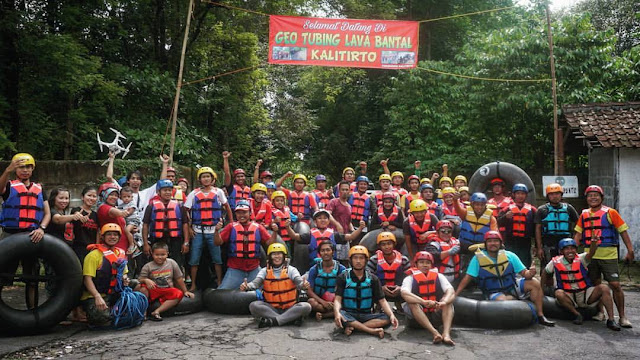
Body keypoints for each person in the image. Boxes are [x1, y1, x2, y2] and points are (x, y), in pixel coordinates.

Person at [455, 231, 555, 326]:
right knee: (503, 301)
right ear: (485, 244)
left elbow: (525, 274)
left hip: (512, 286)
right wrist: (456, 294)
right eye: (489, 241)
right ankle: (519, 300)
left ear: (500, 243)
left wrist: (531, 272)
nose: (492, 243)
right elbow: (468, 278)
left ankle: (540, 315)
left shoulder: (510, 256)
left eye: (495, 241)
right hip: (493, 291)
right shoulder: (477, 259)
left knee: (534, 282)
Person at [574, 185, 634, 327]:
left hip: (608, 255)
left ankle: (622, 317)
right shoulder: (584, 215)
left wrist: (630, 250)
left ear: (601, 197)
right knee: (596, 284)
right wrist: (572, 253)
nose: (593, 198)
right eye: (590, 196)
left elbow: (623, 231)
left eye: (596, 195)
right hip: (590, 256)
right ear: (586, 199)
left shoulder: (611, 212)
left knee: (615, 285)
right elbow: (578, 235)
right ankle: (600, 312)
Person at [541, 238, 620, 330]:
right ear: (561, 251)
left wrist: (593, 244)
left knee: (604, 288)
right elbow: (545, 273)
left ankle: (611, 320)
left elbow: (591, 253)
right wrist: (541, 289)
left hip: (585, 294)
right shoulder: (555, 262)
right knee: (558, 293)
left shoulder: (581, 258)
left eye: (572, 248)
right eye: (567, 249)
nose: (570, 251)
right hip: (568, 295)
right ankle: (577, 314)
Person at [241, 243, 312, 327]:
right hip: (271, 308)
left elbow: (299, 282)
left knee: (306, 306)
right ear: (269, 257)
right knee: (254, 306)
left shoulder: (291, 270)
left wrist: (303, 285)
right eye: (274, 254)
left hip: (290, 307)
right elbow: (255, 284)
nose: (277, 257)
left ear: (284, 256)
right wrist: (247, 286)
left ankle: (274, 321)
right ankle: (289, 320)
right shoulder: (264, 271)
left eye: (279, 254)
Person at [334, 245, 399, 338]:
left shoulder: (373, 278)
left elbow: (382, 300)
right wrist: (337, 313)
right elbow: (337, 299)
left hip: (367, 315)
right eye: (355, 258)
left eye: (361, 258)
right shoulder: (343, 277)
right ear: (351, 260)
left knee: (387, 318)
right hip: (348, 314)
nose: (358, 261)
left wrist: (392, 315)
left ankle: (354, 328)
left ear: (366, 260)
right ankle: (371, 330)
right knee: (341, 315)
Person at [184, 167, 232, 291]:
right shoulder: (193, 193)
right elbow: (186, 211)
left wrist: (231, 223)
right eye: (203, 176)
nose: (206, 179)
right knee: (194, 259)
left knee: (217, 258)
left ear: (212, 178)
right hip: (198, 230)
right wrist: (189, 227)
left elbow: (227, 207)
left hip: (213, 231)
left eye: (208, 176)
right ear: (200, 179)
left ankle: (220, 281)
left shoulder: (218, 192)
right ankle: (193, 284)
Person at [214, 199, 277, 289]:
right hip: (235, 269)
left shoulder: (258, 227)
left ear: (250, 213)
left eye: (244, 212)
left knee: (269, 290)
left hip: (254, 269)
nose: (241, 215)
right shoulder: (231, 227)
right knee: (222, 293)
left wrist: (275, 232)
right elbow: (217, 242)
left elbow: (270, 244)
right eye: (239, 213)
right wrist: (216, 230)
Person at [401, 251, 456, 346]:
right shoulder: (409, 278)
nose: (425, 265)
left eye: (428, 263)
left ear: (431, 265)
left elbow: (451, 291)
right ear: (416, 264)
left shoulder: (439, 276)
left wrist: (444, 302)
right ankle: (435, 333)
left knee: (448, 302)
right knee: (412, 302)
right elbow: (404, 293)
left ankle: (446, 334)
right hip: (416, 320)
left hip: (435, 314)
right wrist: (423, 302)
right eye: (421, 262)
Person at [80, 224, 129, 327]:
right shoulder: (93, 255)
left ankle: (118, 310)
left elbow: (124, 273)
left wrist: (125, 279)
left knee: (136, 284)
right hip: (96, 295)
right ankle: (112, 312)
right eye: (109, 234)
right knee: (100, 317)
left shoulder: (120, 253)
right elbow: (87, 279)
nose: (112, 237)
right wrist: (97, 296)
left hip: (114, 292)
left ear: (119, 237)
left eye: (115, 235)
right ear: (102, 237)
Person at [139, 242, 194, 321]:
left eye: (162, 255)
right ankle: (143, 313)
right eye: (157, 255)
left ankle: (157, 311)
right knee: (143, 289)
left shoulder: (171, 263)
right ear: (152, 254)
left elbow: (178, 278)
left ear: (167, 254)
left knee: (179, 294)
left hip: (167, 289)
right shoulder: (148, 266)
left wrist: (185, 291)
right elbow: (140, 279)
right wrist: (146, 280)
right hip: (154, 289)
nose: (160, 257)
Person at [142, 180, 190, 270]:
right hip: (157, 239)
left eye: (169, 190)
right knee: (157, 264)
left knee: (176, 264)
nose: (167, 192)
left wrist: (186, 242)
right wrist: (145, 243)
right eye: (164, 190)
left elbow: (185, 224)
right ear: (158, 192)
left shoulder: (179, 206)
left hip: (175, 240)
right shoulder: (151, 206)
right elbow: (145, 225)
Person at [290, 209, 364, 266]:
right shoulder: (310, 235)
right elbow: (295, 236)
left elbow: (351, 236)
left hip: (331, 264)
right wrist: (287, 227)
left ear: (329, 221)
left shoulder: (334, 234)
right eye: (320, 218)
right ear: (315, 222)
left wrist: (360, 228)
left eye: (325, 218)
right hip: (315, 264)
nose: (322, 220)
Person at [535, 183, 579, 274]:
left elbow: (579, 224)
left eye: (557, 194)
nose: (555, 196)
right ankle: (546, 287)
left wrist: (575, 239)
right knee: (547, 268)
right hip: (548, 242)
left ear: (561, 195)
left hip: (565, 241)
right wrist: (539, 247)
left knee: (567, 266)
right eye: (552, 194)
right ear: (548, 196)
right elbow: (538, 229)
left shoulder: (569, 208)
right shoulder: (542, 210)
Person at [366, 232, 410, 309]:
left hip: (399, 289)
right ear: (379, 246)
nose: (387, 247)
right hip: (380, 289)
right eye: (383, 244)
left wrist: (400, 288)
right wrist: (380, 288)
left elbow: (410, 278)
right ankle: (378, 306)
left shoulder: (404, 259)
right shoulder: (374, 260)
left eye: (389, 244)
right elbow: (367, 277)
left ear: (394, 244)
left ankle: (399, 305)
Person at [498, 183, 536, 267]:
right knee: (510, 264)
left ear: (526, 195)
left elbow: (537, 228)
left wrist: (536, 245)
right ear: (514, 195)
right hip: (510, 242)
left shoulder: (532, 210)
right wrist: (505, 217)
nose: (520, 196)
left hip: (525, 242)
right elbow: (498, 222)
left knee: (524, 265)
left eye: (522, 194)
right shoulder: (507, 209)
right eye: (518, 193)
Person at [307, 241, 347, 320]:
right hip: (319, 301)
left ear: (333, 252)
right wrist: (323, 302)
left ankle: (324, 315)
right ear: (319, 253)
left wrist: (335, 302)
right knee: (311, 302)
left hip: (336, 300)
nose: (325, 253)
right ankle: (333, 313)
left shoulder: (341, 269)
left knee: (347, 304)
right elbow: (309, 291)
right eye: (323, 250)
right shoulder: (314, 269)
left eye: (328, 250)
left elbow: (344, 289)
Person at [97, 183, 135, 254]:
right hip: (113, 248)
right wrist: (122, 213)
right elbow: (112, 211)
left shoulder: (116, 207)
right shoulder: (103, 207)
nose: (114, 197)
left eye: (116, 195)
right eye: (111, 194)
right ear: (104, 195)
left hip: (122, 248)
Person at [425, 220, 462, 286]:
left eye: (449, 231)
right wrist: (448, 252)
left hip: (454, 277)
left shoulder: (456, 242)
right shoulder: (434, 243)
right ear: (437, 232)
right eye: (443, 231)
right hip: (438, 278)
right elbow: (431, 255)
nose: (446, 234)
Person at [70, 186, 99, 264]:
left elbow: (97, 233)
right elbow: (76, 214)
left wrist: (97, 246)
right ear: (82, 197)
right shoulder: (76, 210)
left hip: (92, 248)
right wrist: (80, 217)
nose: (91, 198)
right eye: (89, 195)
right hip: (78, 247)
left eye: (94, 196)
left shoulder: (96, 215)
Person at [270, 190, 298, 255]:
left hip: (288, 237)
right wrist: (274, 221)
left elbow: (294, 218)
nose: (280, 202)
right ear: (273, 202)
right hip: (278, 237)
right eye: (277, 201)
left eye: (281, 201)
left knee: (289, 253)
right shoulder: (272, 212)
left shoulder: (287, 210)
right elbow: (269, 222)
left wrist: (298, 217)